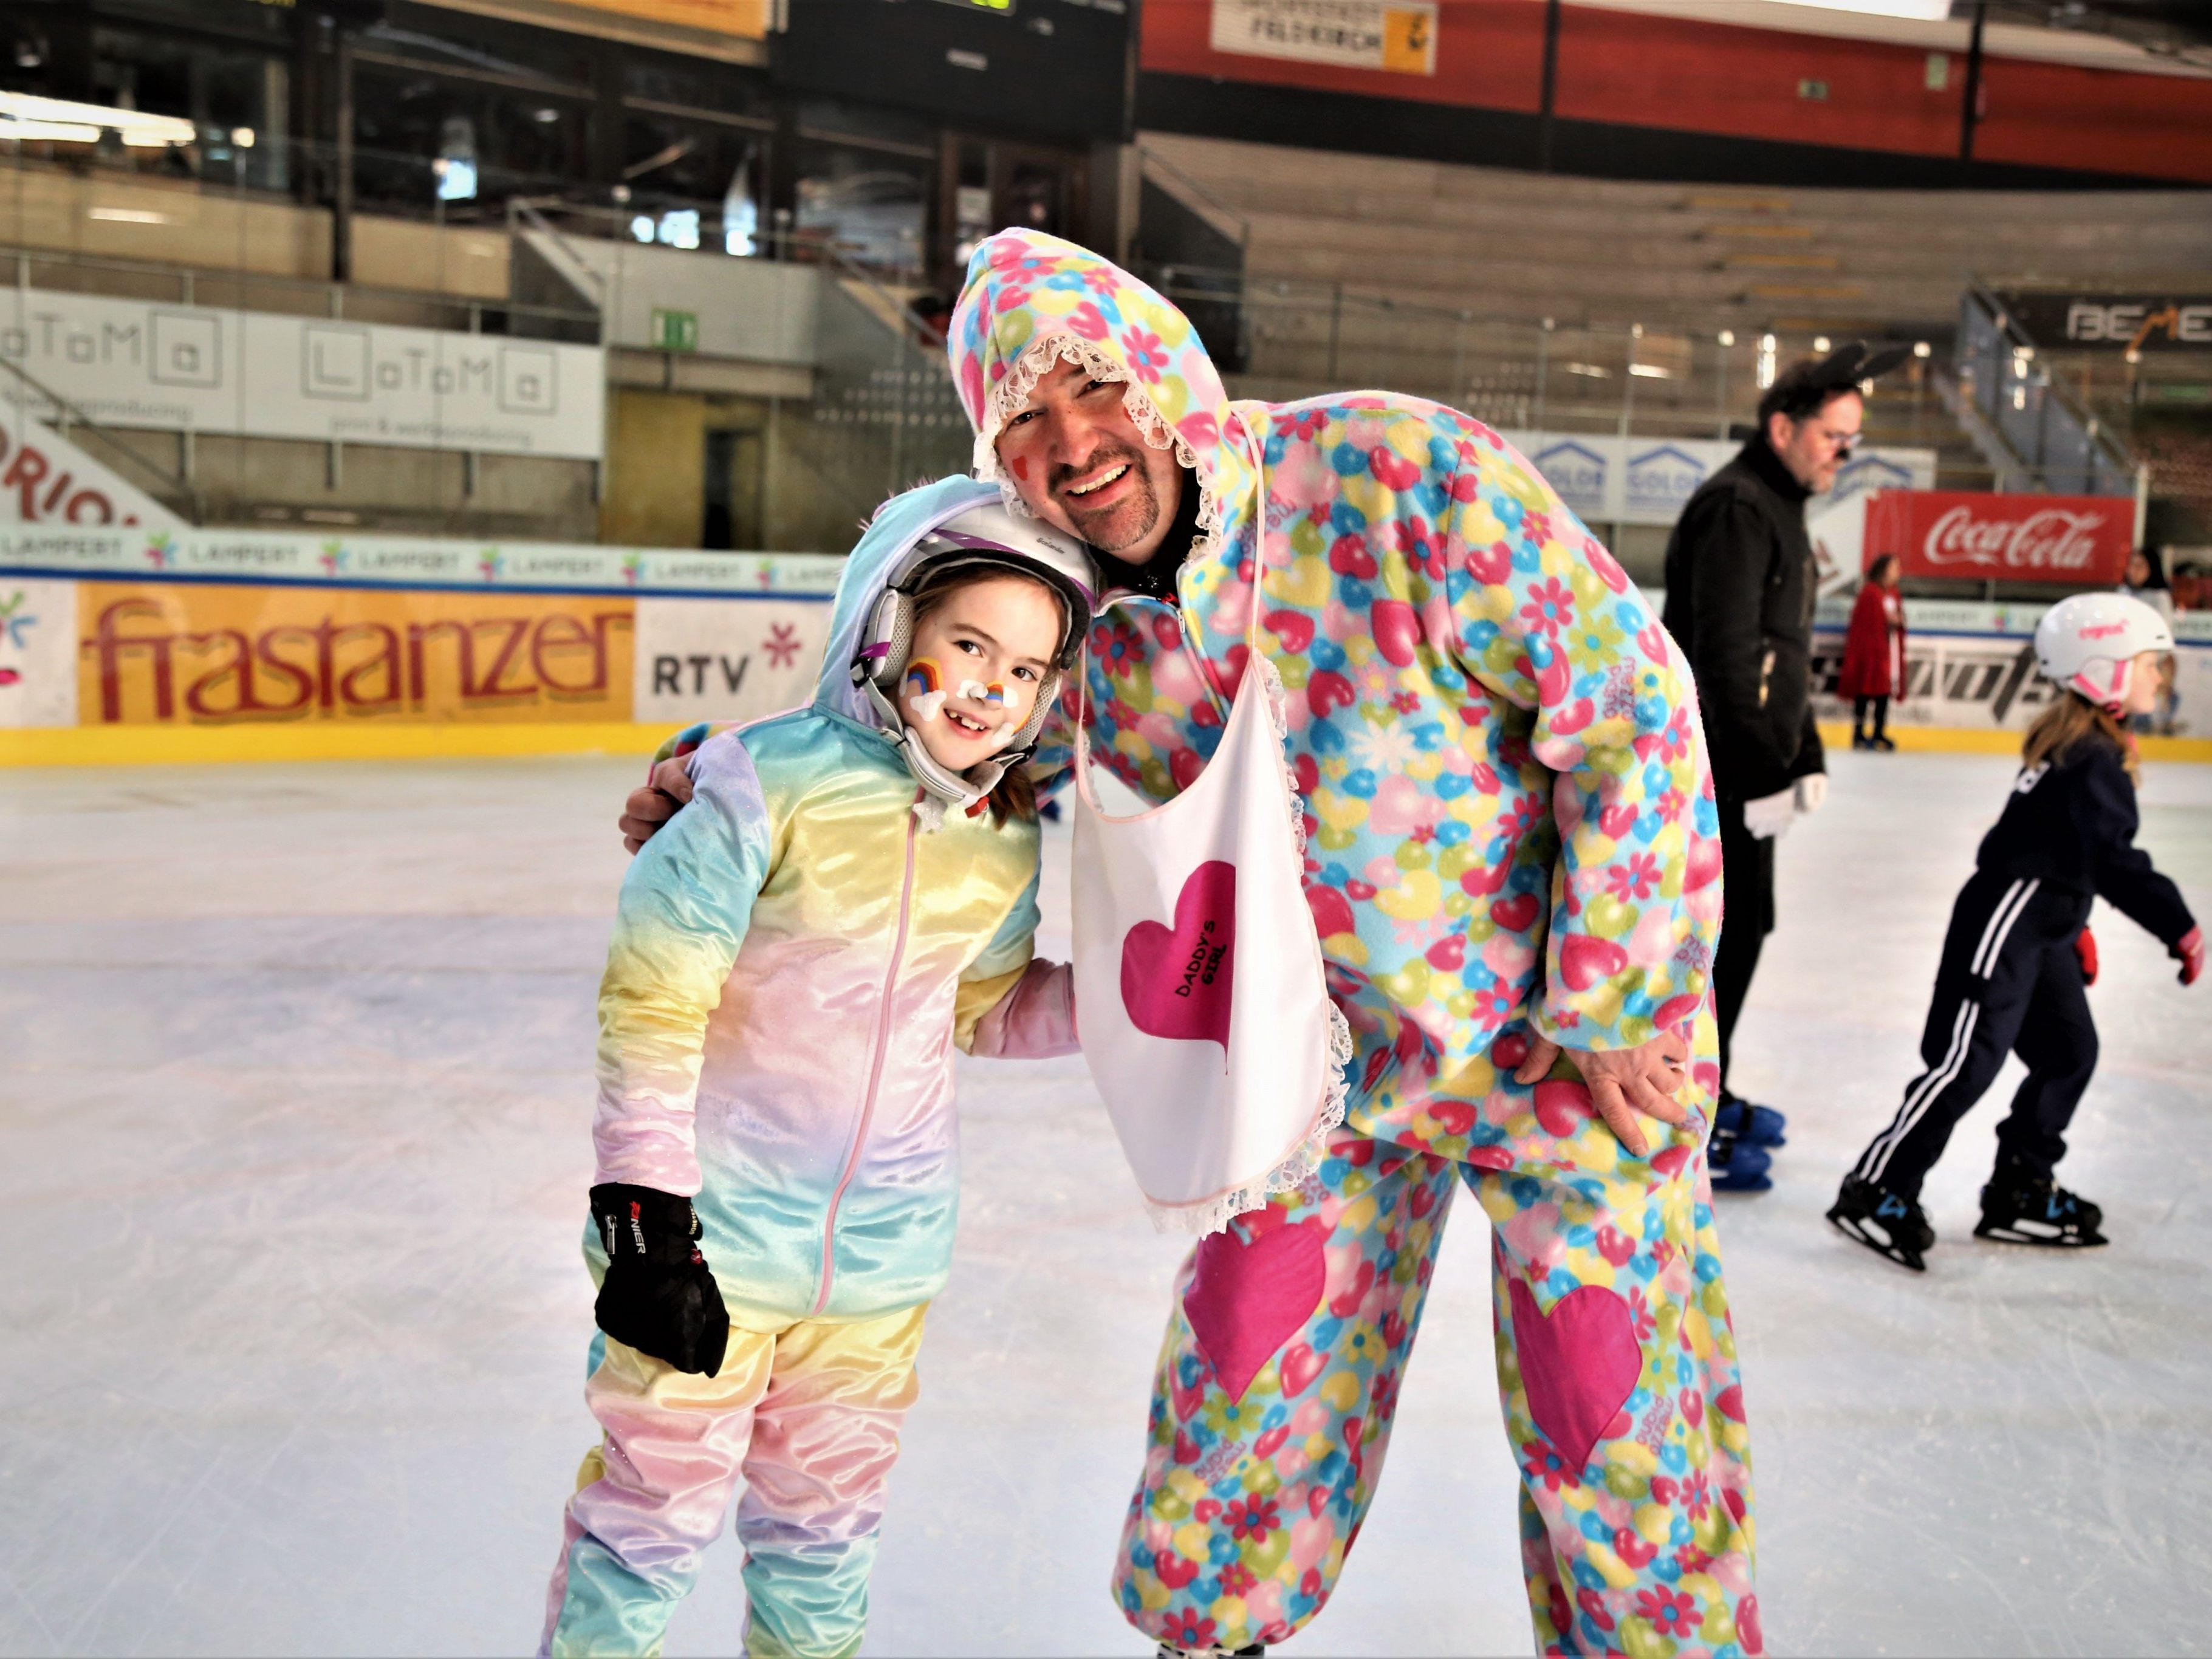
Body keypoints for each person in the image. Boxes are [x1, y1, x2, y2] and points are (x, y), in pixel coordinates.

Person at [626, 231, 1758, 1657]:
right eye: (1024, 420)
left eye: (1093, 386)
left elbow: (1631, 705)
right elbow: (925, 740)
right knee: (1243, 1387)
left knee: (1615, 1424)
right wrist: (728, 777)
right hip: (1302, 1080)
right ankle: (1204, 1642)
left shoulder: (1397, 474)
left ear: (1166, 375)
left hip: (1566, 1051)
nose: (1073, 445)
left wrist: (1619, 995)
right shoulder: (1061, 597)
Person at [541, 479, 1094, 1658]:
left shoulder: (1000, 837)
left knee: (823, 1543)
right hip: (706, 1237)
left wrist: (1138, 1001)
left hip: (883, 1259)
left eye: (1026, 670)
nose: (992, 687)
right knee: (648, 1527)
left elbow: (989, 1011)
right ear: (891, 635)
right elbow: (655, 993)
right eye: (966, 646)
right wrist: (643, 1209)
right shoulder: (758, 781)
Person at [1829, 592, 2202, 1272]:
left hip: (2038, 924)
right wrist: (2177, 924)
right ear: (2105, 669)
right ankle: (1877, 1187)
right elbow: (2108, 857)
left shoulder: (2086, 749)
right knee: (1965, 1061)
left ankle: (2018, 1183)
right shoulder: (2088, 754)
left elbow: (2057, 849)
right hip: (2007, 924)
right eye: (2150, 664)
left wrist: (2070, 918)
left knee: (2068, 1052)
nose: (2158, 678)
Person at [1661, 341, 1905, 1192]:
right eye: (1834, 435)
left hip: (1748, 766)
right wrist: (1762, 772)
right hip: (1718, 773)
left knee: (1743, 931)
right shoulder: (1738, 507)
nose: (1843, 452)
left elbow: (1784, 653)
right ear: (1782, 427)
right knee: (1712, 943)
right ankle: (1685, 1112)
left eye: (1852, 438)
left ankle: (1706, 1087)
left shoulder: (1776, 503)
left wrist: (1806, 750)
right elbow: (1726, 662)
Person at [1840, 553, 1906, 750]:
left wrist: (1897, 622)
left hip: (1888, 651)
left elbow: (1899, 619)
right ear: (1884, 569)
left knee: (1884, 693)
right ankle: (1858, 733)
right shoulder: (1870, 593)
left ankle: (1879, 732)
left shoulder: (1893, 594)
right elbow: (1864, 626)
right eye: (1894, 567)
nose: (1898, 572)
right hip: (1871, 652)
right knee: (1865, 690)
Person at [2120, 547, 2178, 736]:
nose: (2133, 570)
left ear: (2152, 569)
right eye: (2132, 565)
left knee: (2143, 709)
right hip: (2123, 663)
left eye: (2140, 566)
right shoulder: (2123, 592)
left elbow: (2163, 636)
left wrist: (2148, 663)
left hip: (2146, 665)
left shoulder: (2159, 598)